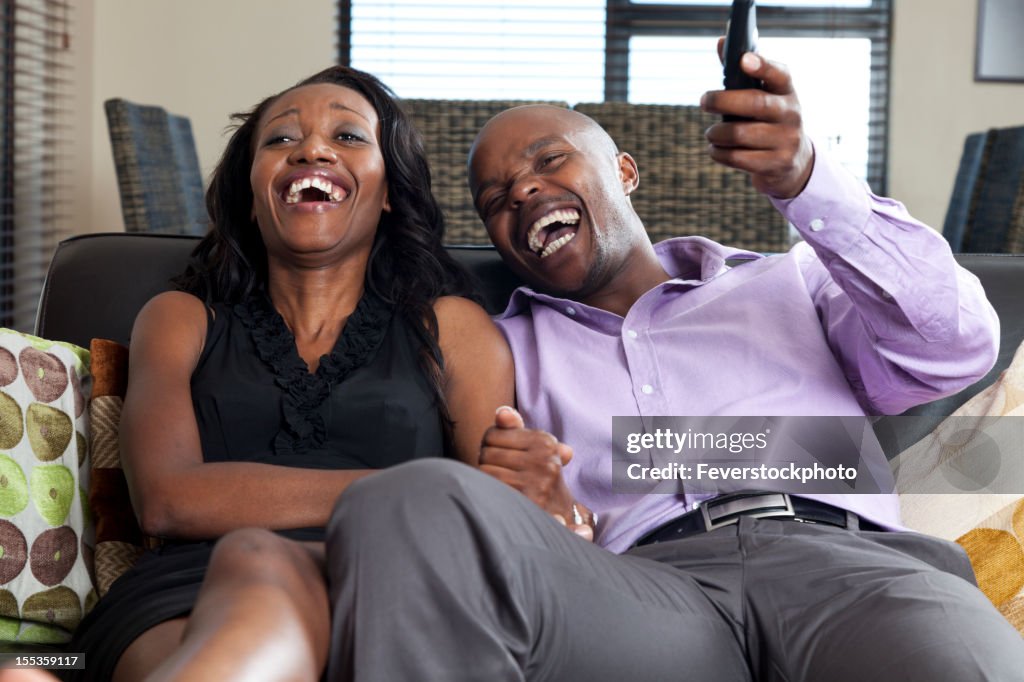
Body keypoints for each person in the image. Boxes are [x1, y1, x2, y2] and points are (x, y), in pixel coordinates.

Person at [321, 48, 1024, 680]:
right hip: (642, 595)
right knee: (400, 498)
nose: (524, 193)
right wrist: (559, 514)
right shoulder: (499, 345)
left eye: (547, 161)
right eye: (495, 201)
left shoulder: (792, 284)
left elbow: (955, 346)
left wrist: (806, 177)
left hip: (850, 572)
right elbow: (504, 510)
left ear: (624, 171)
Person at [65, 65, 513, 682]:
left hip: (396, 584)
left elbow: (493, 511)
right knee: (252, 570)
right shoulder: (181, 319)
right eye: (280, 139)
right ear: (251, 195)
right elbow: (168, 502)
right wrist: (413, 491)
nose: (312, 148)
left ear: (387, 192)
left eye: (349, 137)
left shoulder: (454, 328)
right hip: (185, 590)